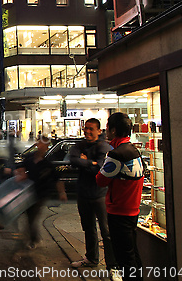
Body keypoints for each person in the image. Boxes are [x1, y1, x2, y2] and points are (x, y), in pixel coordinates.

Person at [69, 119, 121, 281]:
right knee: (88, 228)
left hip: (100, 195)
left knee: (106, 232)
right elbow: (72, 159)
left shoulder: (104, 147)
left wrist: (84, 162)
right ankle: (91, 259)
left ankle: (113, 267)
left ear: (99, 131)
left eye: (91, 129)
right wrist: (89, 162)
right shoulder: (80, 145)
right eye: (85, 129)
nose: (87, 132)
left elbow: (100, 169)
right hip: (83, 194)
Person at [96, 112, 145, 281]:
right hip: (133, 210)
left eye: (108, 127)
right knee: (132, 254)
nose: (106, 130)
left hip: (119, 212)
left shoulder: (116, 155)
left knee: (124, 258)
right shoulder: (134, 151)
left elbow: (100, 180)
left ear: (114, 130)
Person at [16, 134, 67, 249]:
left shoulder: (48, 162)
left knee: (32, 217)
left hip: (41, 194)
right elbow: (20, 167)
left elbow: (57, 179)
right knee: (29, 216)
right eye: (40, 144)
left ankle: (33, 239)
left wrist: (62, 193)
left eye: (45, 145)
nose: (41, 147)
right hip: (28, 192)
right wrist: (21, 173)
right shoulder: (29, 158)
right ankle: (33, 237)